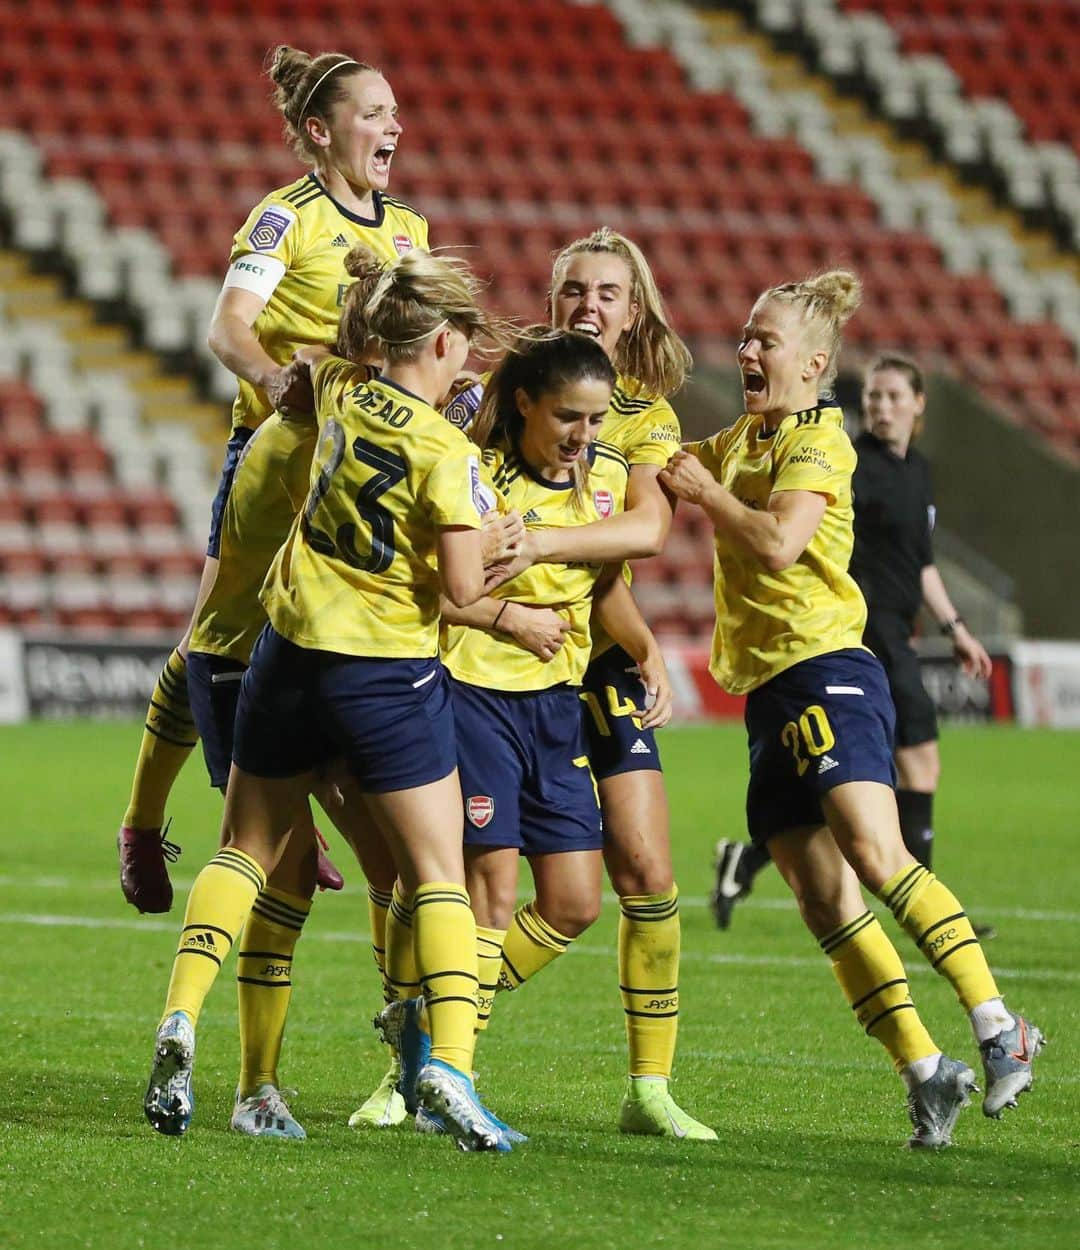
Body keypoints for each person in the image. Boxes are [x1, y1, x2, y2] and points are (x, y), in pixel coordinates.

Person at [142, 245, 520, 1152]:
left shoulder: (342, 389)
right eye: (463, 341)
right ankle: (448, 1071)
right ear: (436, 339)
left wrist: (366, 288)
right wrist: (505, 564)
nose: (470, 357)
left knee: (244, 851)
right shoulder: (447, 452)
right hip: (385, 674)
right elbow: (462, 592)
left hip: (285, 657)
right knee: (437, 873)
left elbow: (328, 353)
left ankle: (181, 1019)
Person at [658, 270, 1042, 1147]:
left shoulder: (819, 444)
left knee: (876, 852)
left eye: (766, 340)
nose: (747, 350)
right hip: (769, 690)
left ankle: (997, 1025)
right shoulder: (751, 436)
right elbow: (670, 462)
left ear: (816, 361)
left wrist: (708, 496)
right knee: (822, 897)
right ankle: (925, 1069)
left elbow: (783, 544)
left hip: (826, 668)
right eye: (746, 337)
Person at [396, 227, 714, 1140]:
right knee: (461, 877)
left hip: (589, 651)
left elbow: (638, 540)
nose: (588, 304)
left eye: (608, 292)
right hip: (494, 661)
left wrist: (636, 637)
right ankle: (424, 1063)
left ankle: (644, 1085)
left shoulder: (641, 418)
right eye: (573, 288)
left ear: (636, 306)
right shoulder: (497, 401)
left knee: (636, 871)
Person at [117, 44, 426, 916]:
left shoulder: (409, 231)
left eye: (396, 111)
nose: (393, 125)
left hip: (364, 463)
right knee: (217, 638)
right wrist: (275, 376)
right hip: (275, 458)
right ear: (321, 132)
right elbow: (227, 328)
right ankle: (147, 821)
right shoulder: (283, 219)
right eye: (374, 112)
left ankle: (306, 802)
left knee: (330, 643)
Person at [439, 332, 673, 1132]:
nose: (584, 434)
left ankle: (432, 1018)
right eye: (569, 417)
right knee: (492, 895)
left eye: (598, 419)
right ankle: (451, 1078)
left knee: (574, 902)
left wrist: (644, 650)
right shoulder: (480, 479)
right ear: (528, 405)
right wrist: (509, 621)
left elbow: (605, 582)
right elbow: (436, 592)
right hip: (476, 693)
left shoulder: (603, 478)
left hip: (555, 704)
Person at [710, 354, 996, 936]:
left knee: (851, 777)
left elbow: (922, 564)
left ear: (919, 404)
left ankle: (749, 859)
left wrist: (955, 627)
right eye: (873, 397)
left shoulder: (918, 472)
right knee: (910, 764)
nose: (880, 407)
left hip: (896, 630)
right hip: (852, 633)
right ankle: (921, 903)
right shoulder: (846, 460)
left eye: (893, 396)